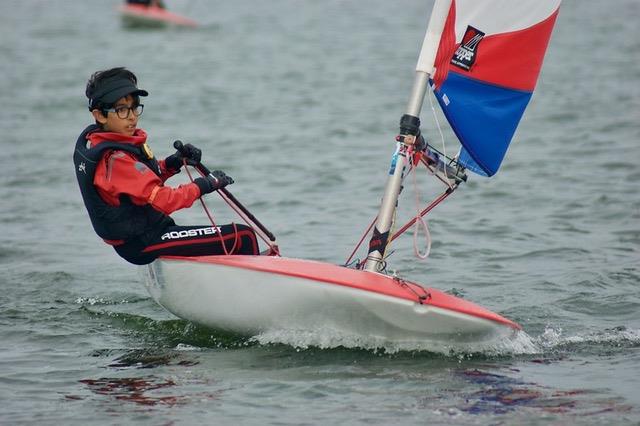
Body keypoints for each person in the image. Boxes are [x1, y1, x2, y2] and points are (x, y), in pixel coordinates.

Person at [74, 67, 260, 265]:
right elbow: (164, 200)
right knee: (243, 236)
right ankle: (259, 290)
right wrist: (204, 185)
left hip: (145, 235)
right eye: (121, 110)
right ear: (100, 115)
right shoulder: (116, 159)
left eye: (135, 107)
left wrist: (174, 162)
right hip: (145, 241)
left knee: (238, 236)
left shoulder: (104, 145)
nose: (132, 117)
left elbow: (138, 185)